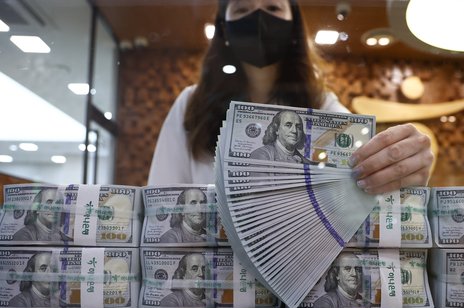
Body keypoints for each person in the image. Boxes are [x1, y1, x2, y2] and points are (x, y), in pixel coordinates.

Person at [147, 0, 433, 194]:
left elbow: (364, 174)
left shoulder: (323, 105)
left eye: (272, 6)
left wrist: (399, 167)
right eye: (242, 8)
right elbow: (163, 194)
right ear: (224, 28)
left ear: (293, 23)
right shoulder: (191, 104)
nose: (258, 18)